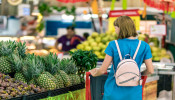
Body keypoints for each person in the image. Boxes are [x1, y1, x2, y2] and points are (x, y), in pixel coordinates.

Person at [90, 16, 154, 100]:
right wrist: (138, 74)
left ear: (121, 28)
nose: (115, 31)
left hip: (113, 90)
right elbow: (150, 70)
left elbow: (102, 70)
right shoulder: (144, 46)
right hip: (134, 92)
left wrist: (94, 72)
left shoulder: (113, 45)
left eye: (116, 28)